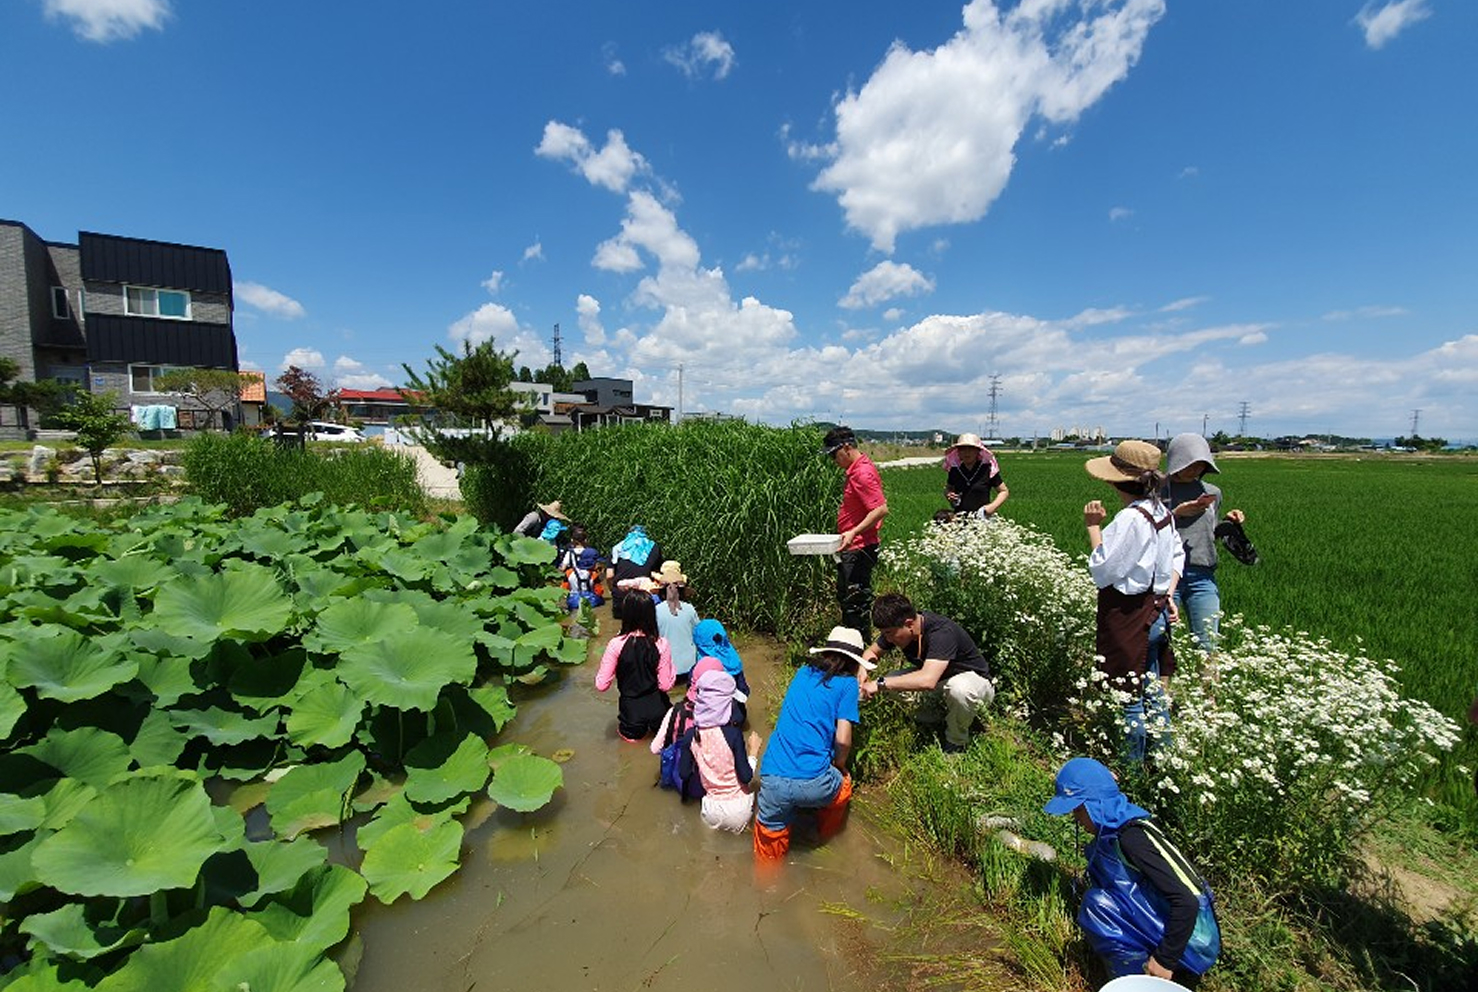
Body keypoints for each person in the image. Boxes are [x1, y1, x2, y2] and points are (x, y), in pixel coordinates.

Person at [1045, 758, 1220, 986]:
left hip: (1192, 941)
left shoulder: (1132, 839)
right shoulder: (1115, 829)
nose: (1075, 818)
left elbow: (1186, 901)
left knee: (1098, 906)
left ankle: (1136, 981)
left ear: (1095, 806)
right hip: (1171, 924)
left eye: (1078, 810)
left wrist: (1165, 959)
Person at [1084, 440, 1184, 763]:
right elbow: (1176, 557)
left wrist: (1093, 527)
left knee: (1129, 698)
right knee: (1153, 691)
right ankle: (1164, 761)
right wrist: (1168, 594)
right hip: (1156, 612)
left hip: (1130, 616)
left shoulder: (1130, 519)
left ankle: (1133, 771)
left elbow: (1104, 570)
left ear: (1116, 481)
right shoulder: (1163, 513)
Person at [753, 626, 874, 861]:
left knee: (768, 849)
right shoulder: (848, 685)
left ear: (825, 653)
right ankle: (824, 836)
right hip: (813, 783)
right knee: (843, 785)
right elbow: (843, 740)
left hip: (772, 777)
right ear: (854, 662)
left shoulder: (803, 673)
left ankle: (766, 876)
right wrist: (840, 766)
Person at [859, 593, 995, 753]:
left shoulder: (941, 632)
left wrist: (879, 684)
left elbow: (927, 680)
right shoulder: (898, 628)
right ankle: (943, 720)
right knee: (892, 680)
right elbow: (871, 652)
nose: (887, 640)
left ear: (909, 624)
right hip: (940, 683)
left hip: (975, 685)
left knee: (960, 689)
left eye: (889, 633)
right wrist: (862, 670)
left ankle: (955, 742)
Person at [1163, 433, 1246, 651]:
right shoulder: (1156, 491)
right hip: (1165, 574)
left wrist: (1229, 522)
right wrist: (1176, 514)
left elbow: (1209, 531)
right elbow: (1143, 530)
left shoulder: (1212, 493)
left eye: (1200, 465)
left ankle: (1208, 675)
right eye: (1190, 464)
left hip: (1202, 574)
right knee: (1162, 643)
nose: (1194, 470)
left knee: (1208, 643)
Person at [823, 426, 888, 639]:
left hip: (860, 547)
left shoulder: (862, 473)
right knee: (847, 597)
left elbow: (880, 509)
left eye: (834, 454)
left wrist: (853, 532)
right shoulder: (856, 470)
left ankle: (860, 647)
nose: (833, 460)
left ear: (846, 447)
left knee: (855, 601)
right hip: (853, 545)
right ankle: (850, 644)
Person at [682, 666, 761, 832]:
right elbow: (746, 776)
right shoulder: (733, 734)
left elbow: (684, 773)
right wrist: (753, 752)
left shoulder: (690, 735)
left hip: (710, 810)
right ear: (726, 704)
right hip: (738, 810)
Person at [595, 592, 676, 742]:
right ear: (652, 614)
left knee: (630, 751)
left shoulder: (616, 644)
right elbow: (665, 686)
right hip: (658, 711)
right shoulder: (662, 644)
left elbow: (601, 685)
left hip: (631, 715)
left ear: (626, 614)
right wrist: (673, 670)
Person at [651, 560, 700, 679]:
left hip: (666, 669)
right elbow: (698, 635)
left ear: (661, 593)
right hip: (690, 667)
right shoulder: (690, 609)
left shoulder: (655, 611)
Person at [944, 433, 1009, 518]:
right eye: (963, 449)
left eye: (971, 449)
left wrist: (991, 507)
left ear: (978, 451)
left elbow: (1003, 491)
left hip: (982, 517)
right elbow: (948, 488)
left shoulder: (987, 469)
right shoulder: (955, 470)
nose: (967, 453)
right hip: (959, 517)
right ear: (958, 452)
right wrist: (949, 494)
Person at [608, 524, 662, 621]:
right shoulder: (653, 547)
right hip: (644, 596)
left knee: (622, 622)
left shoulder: (617, 548)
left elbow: (609, 576)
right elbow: (657, 573)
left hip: (621, 595)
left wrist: (611, 590)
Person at [557, 525, 606, 614]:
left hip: (574, 590)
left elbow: (563, 588)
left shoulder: (570, 554)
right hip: (590, 597)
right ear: (586, 540)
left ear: (572, 540)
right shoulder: (590, 552)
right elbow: (599, 591)